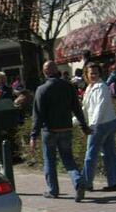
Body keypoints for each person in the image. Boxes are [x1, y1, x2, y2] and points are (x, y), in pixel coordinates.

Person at [31, 61, 91, 202]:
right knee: (68, 159)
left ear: (44, 72)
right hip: (66, 128)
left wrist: (33, 135)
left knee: (49, 161)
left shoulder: (42, 89)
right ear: (57, 70)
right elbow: (77, 108)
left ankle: (53, 190)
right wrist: (84, 126)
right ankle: (78, 182)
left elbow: (37, 114)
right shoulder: (68, 86)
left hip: (49, 130)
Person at [81, 63, 116, 192]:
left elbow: (100, 108)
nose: (94, 75)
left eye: (96, 73)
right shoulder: (89, 88)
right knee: (109, 153)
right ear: (86, 74)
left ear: (100, 74)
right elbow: (85, 109)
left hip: (102, 125)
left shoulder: (101, 87)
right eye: (91, 73)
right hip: (107, 123)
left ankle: (86, 183)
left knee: (91, 154)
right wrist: (74, 121)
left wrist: (92, 127)